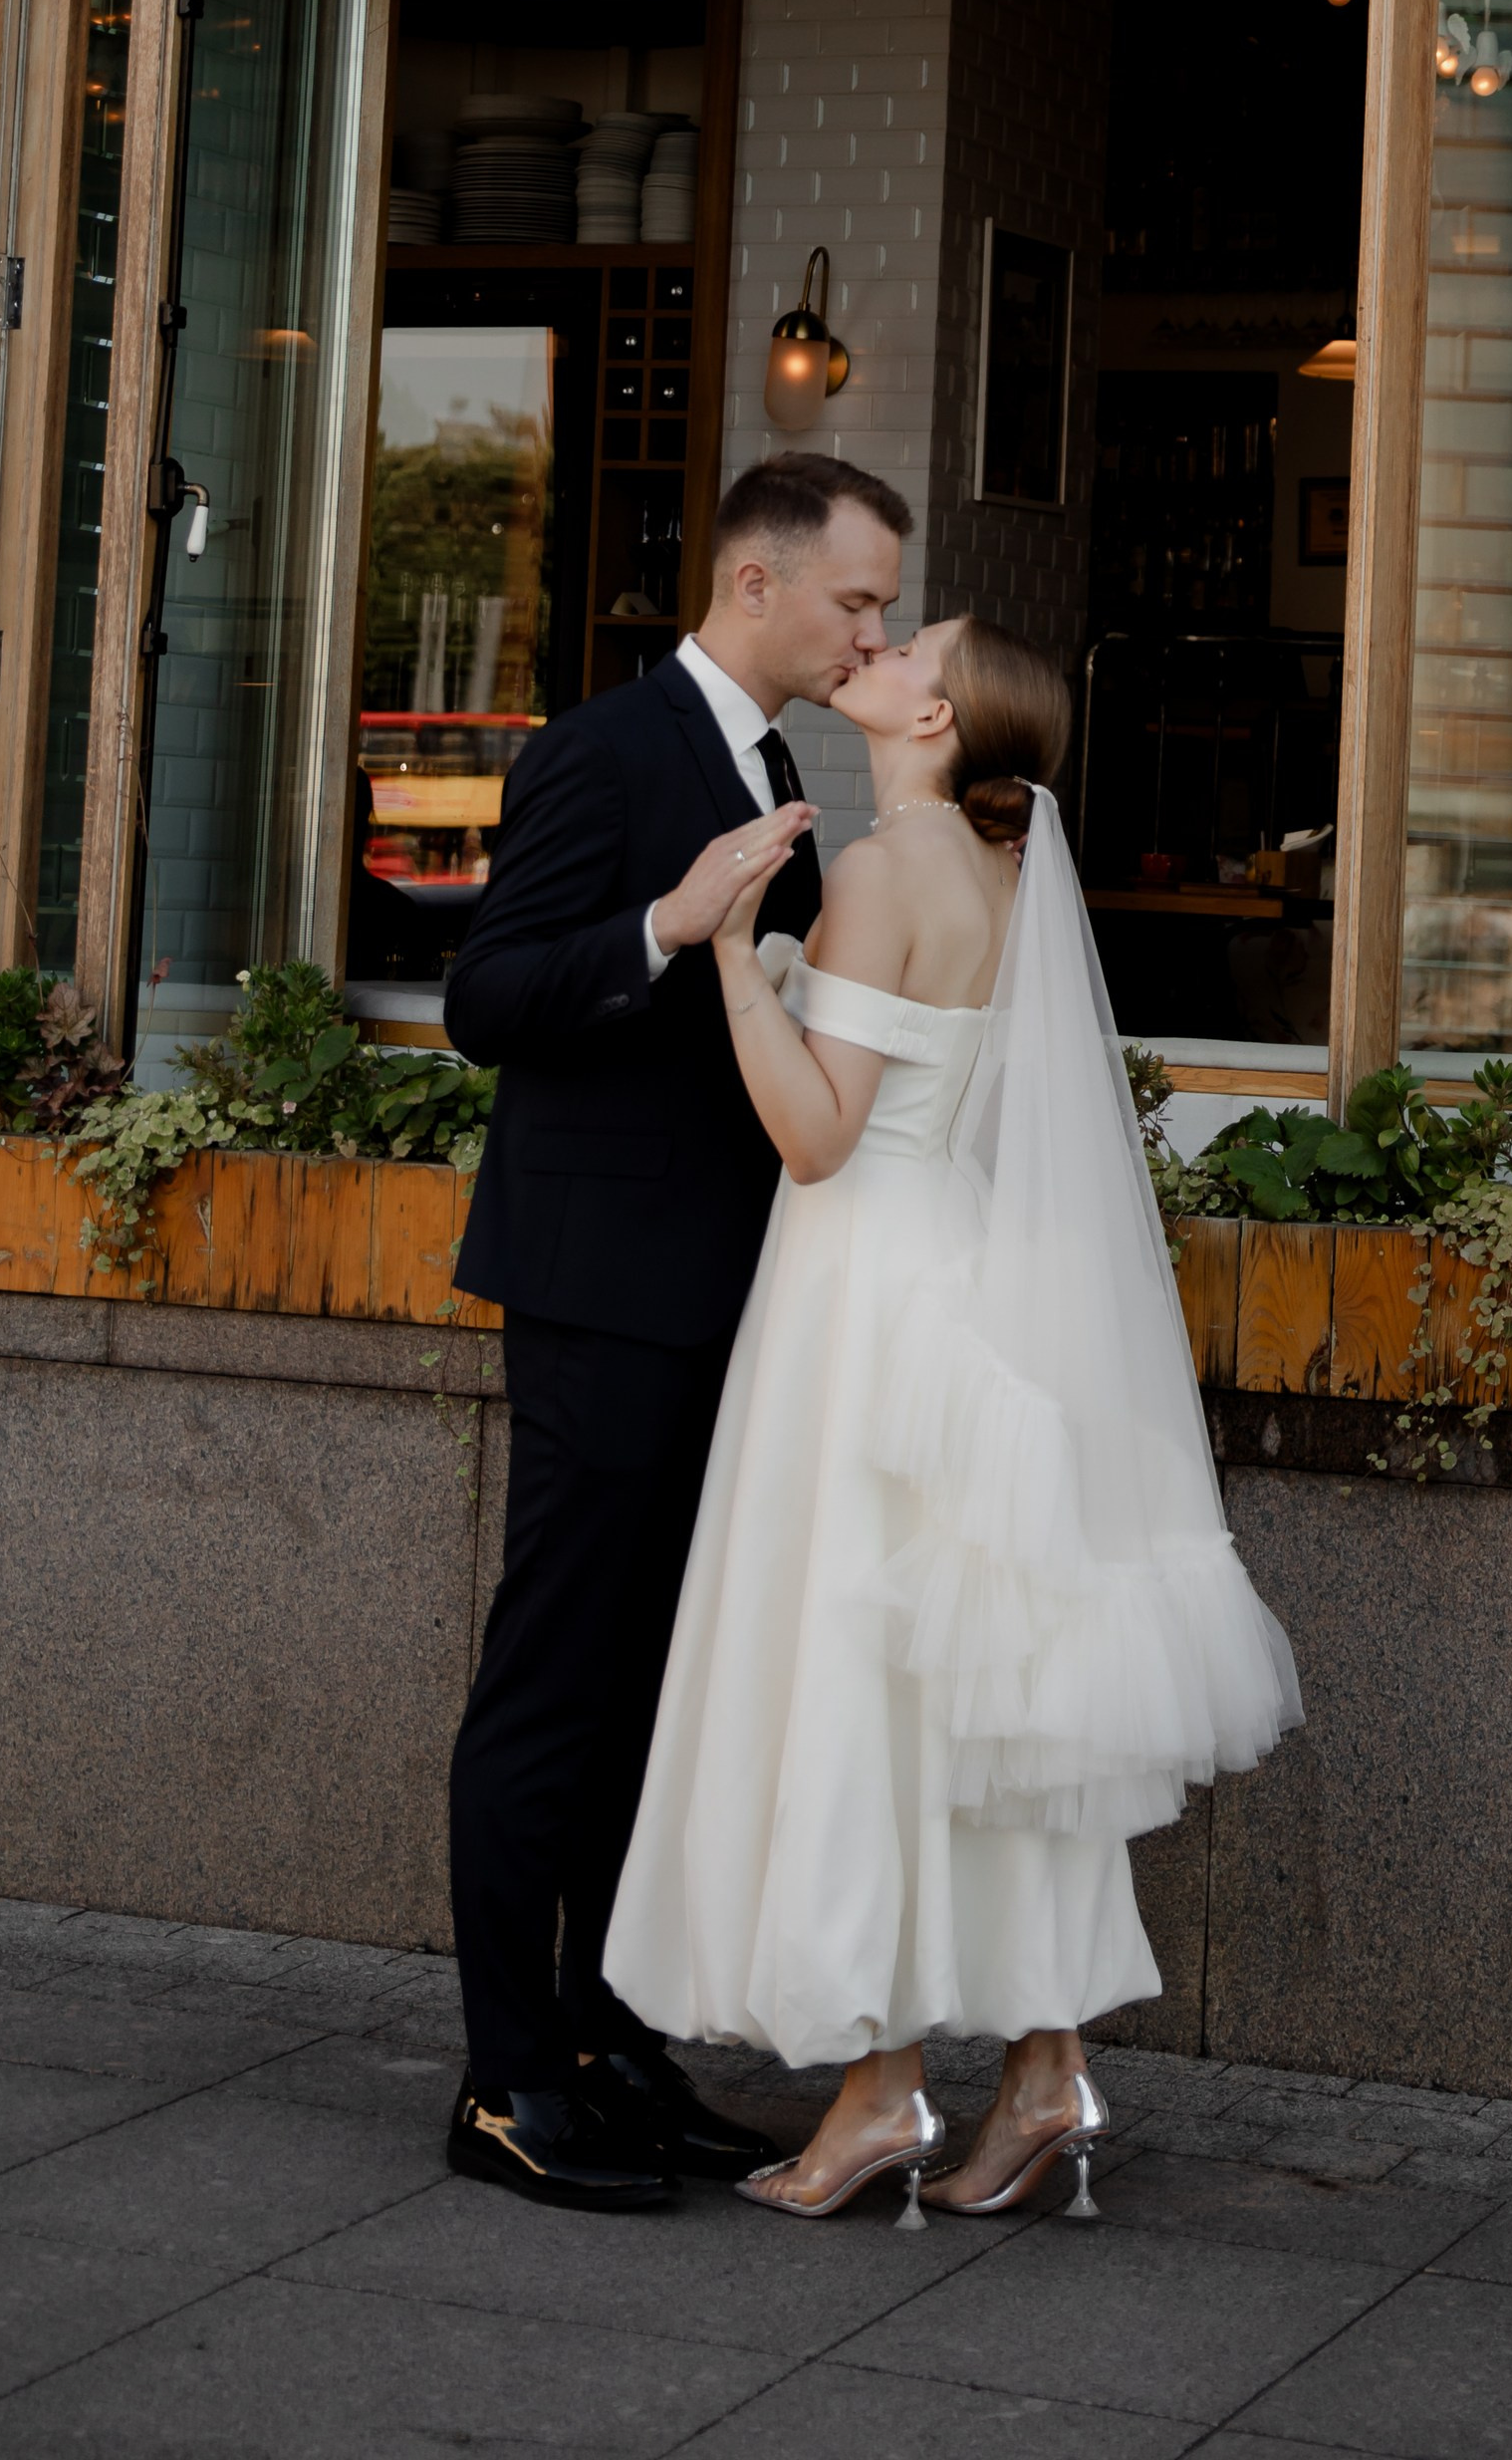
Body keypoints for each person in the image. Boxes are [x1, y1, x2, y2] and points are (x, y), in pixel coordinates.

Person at [606, 616, 1301, 2224]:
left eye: (913, 642)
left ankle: (877, 2093)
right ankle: (1042, 2067)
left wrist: (733, 953)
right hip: (965, 1287)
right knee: (973, 1689)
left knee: (861, 1670)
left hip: (861, 1298)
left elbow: (816, 1136)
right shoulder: (1001, 874)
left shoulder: (884, 866)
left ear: (935, 715)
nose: (880, 639)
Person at [438, 449, 913, 2213]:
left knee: (653, 1691)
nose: (868, 631)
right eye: (854, 599)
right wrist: (667, 921)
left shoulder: (772, 763)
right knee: (556, 1681)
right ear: (754, 583)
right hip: (598, 1291)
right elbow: (486, 998)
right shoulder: (599, 749)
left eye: (883, 608)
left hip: (719, 1290)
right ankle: (505, 2082)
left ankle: (608, 2045)